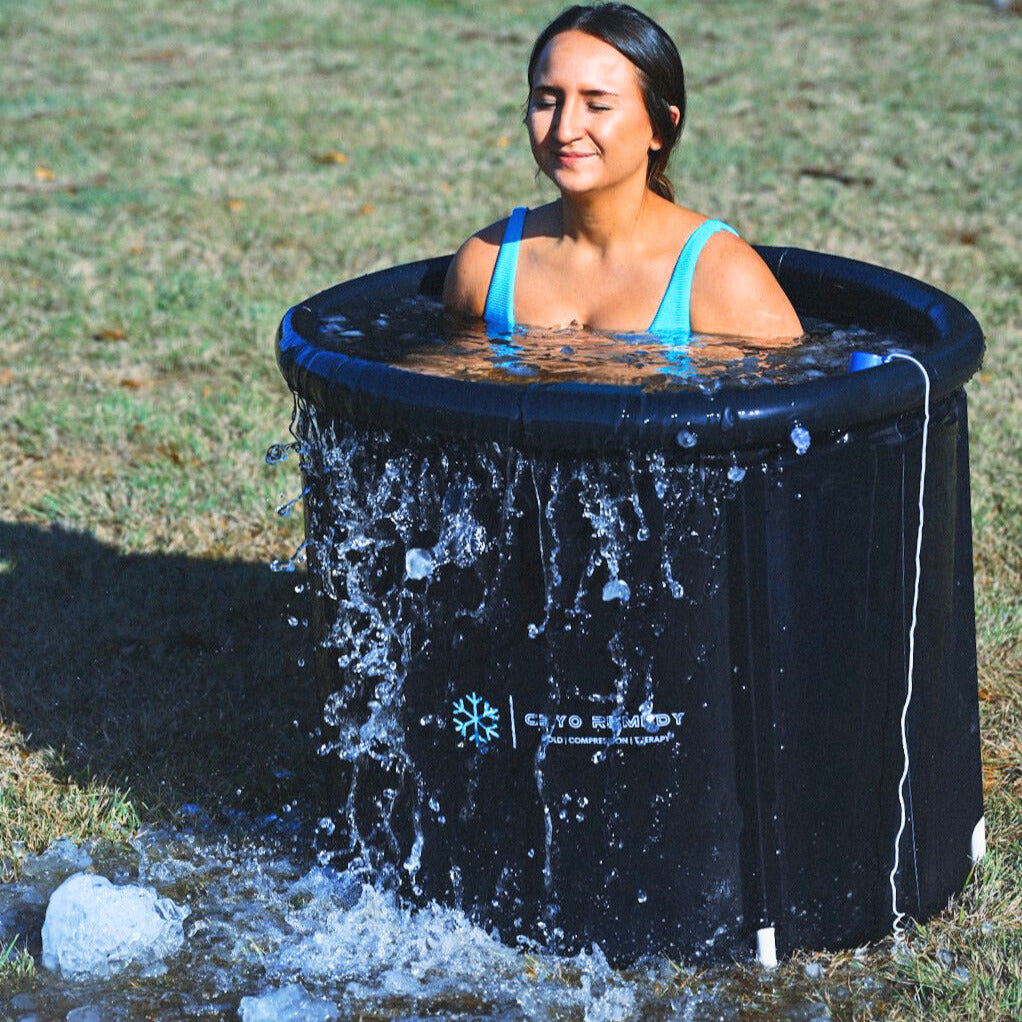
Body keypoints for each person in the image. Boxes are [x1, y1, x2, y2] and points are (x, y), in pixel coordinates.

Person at [443, 3, 803, 344]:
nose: (564, 129)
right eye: (547, 101)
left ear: (661, 128)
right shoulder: (485, 266)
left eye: (597, 105)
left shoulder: (721, 277)